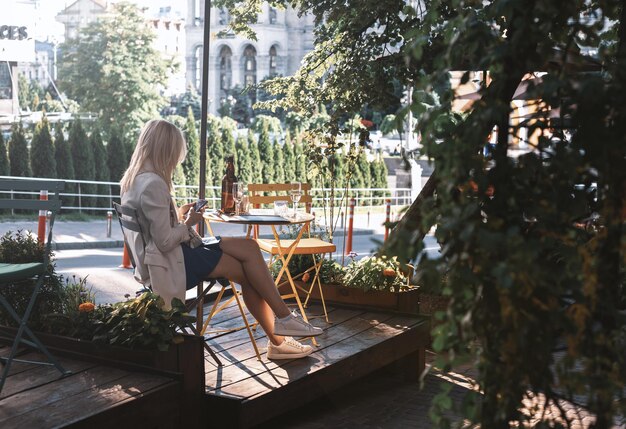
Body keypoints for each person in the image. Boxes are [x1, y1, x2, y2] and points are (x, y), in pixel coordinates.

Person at [120, 119, 322, 360]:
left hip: (173, 255)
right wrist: (189, 223)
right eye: (175, 152)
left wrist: (180, 215)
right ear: (165, 150)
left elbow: (156, 229)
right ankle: (280, 334)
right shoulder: (153, 183)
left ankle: (283, 326)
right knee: (249, 273)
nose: (176, 159)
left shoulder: (133, 180)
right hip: (172, 262)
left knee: (249, 247)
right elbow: (164, 242)